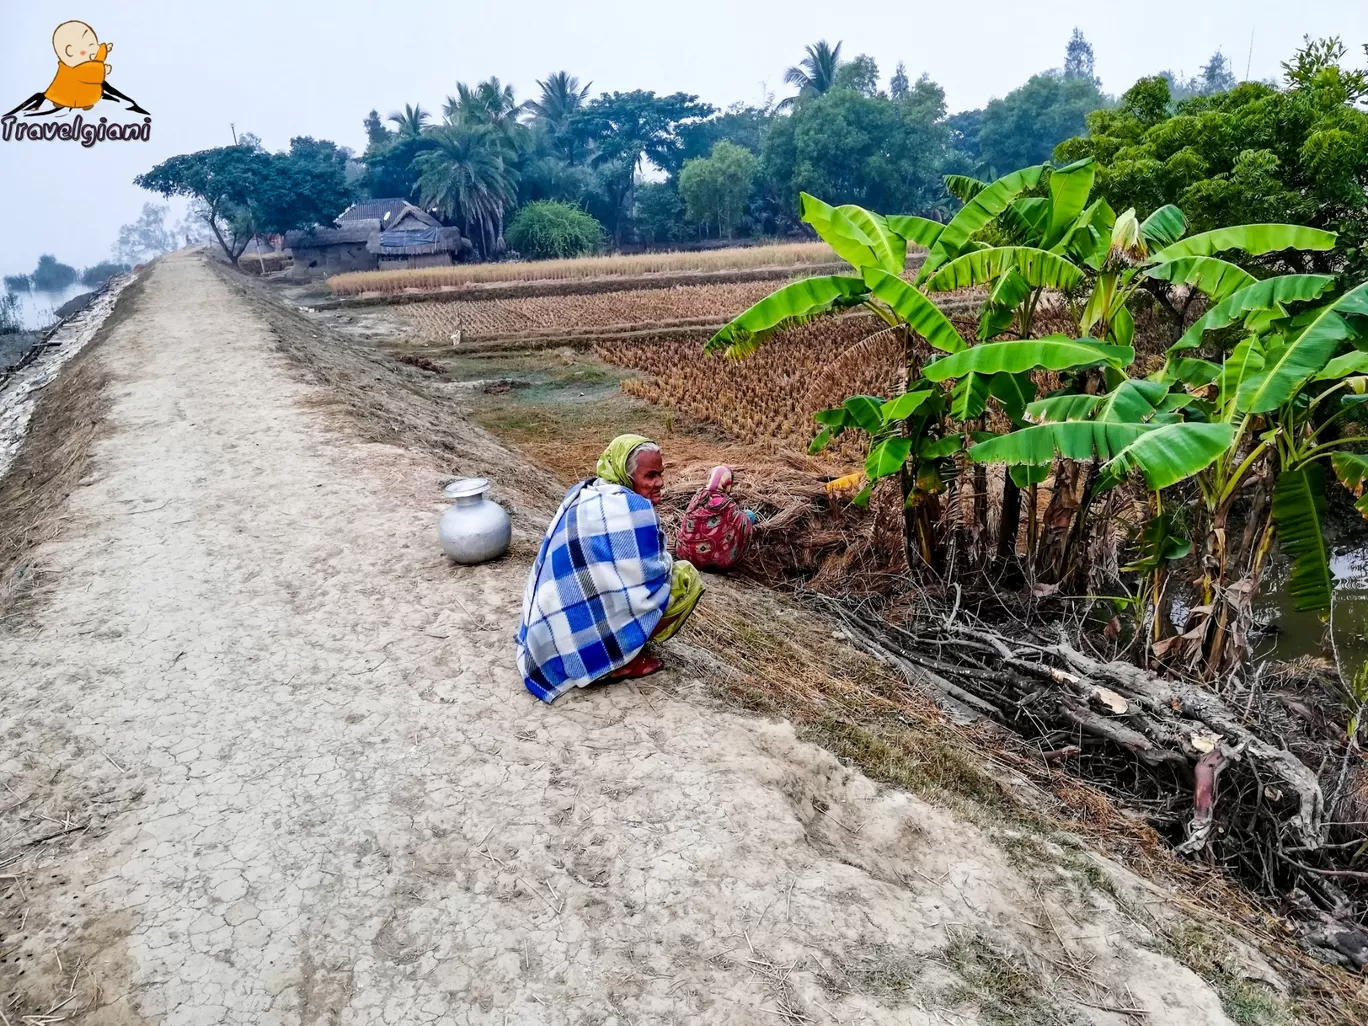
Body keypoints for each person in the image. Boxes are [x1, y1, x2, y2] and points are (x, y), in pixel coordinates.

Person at [517, 434, 704, 703]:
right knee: (684, 580)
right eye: (650, 475)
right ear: (625, 474)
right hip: (580, 617)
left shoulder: (584, 492)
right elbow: (653, 572)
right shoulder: (633, 507)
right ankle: (618, 661)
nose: (660, 483)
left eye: (661, 474)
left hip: (555, 619)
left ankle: (612, 646)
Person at [675, 465, 756, 573]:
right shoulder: (726, 504)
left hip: (686, 554)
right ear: (727, 482)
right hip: (710, 561)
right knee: (749, 516)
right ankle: (721, 555)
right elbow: (742, 522)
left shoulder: (697, 497)